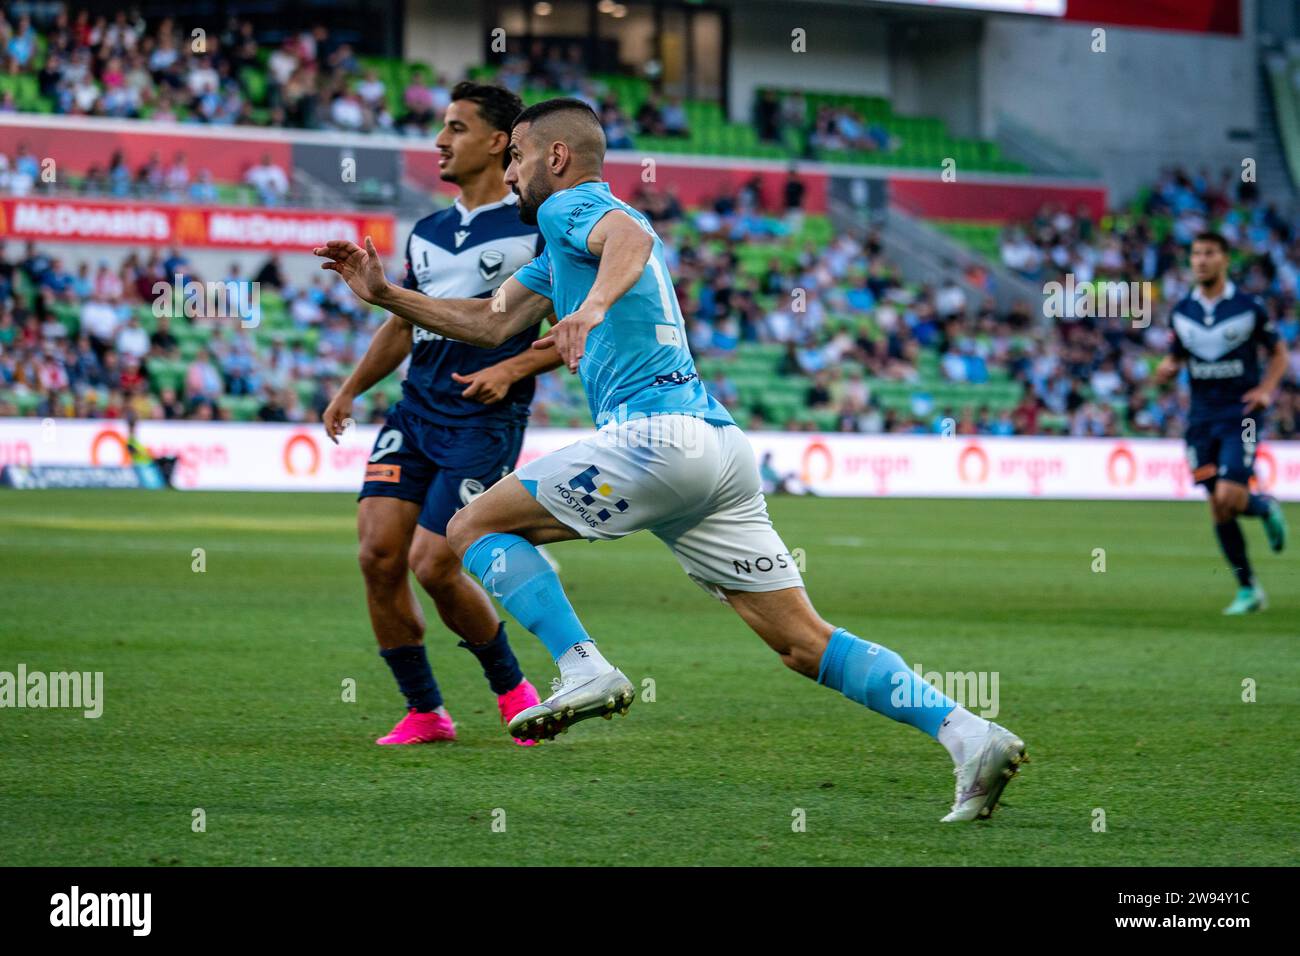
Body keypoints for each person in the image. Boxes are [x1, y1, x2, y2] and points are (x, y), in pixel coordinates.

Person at [316, 98, 1027, 822]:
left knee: (467, 529)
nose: (512, 175)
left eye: (519, 159)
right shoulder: (552, 251)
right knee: (803, 643)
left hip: (652, 439)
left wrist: (590, 310)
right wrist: (385, 296)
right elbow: (486, 322)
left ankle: (582, 667)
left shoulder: (575, 209)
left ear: (555, 157)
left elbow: (632, 237)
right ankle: (970, 735)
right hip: (716, 452)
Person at [321, 82, 563, 747]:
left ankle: (514, 690)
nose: (439, 141)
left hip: (483, 420)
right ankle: (425, 712)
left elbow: (577, 329)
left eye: (456, 128)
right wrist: (350, 389)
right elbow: (403, 323)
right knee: (377, 555)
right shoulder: (427, 232)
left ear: (496, 142)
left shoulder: (537, 225)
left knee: (435, 563)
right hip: (415, 409)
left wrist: (512, 367)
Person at [1155, 231, 1289, 614]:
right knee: (1217, 506)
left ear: (1224, 258)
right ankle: (1248, 589)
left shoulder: (1249, 307)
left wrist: (1266, 388)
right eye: (1195, 254)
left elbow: (1278, 353)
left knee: (1231, 495)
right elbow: (1178, 355)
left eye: (1208, 253)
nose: (1200, 260)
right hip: (1200, 420)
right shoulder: (1182, 311)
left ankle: (1264, 508)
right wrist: (1168, 367)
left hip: (1240, 415)